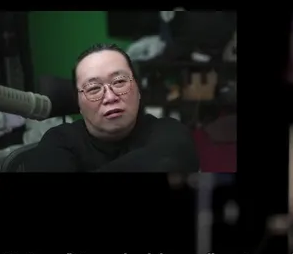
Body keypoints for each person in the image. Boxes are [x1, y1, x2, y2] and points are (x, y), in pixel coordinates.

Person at [19, 44, 200, 173]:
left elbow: (171, 160)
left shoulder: (169, 130)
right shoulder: (58, 141)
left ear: (138, 90)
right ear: (78, 102)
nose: (110, 97)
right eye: (93, 88)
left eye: (119, 82)